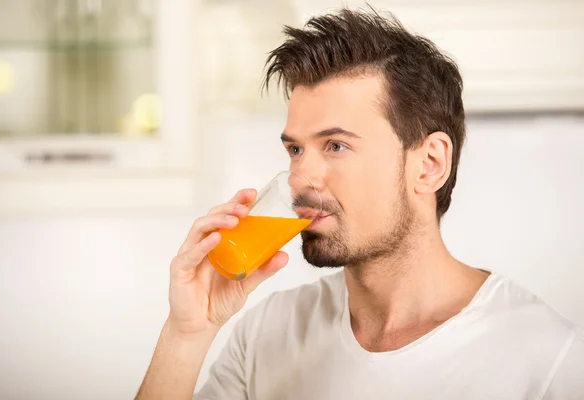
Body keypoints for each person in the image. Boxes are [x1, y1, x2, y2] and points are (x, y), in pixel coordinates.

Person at [135, 7, 584, 400]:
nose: (300, 178)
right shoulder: (267, 334)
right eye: (295, 150)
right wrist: (188, 332)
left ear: (429, 164)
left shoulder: (548, 361)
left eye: (335, 146)